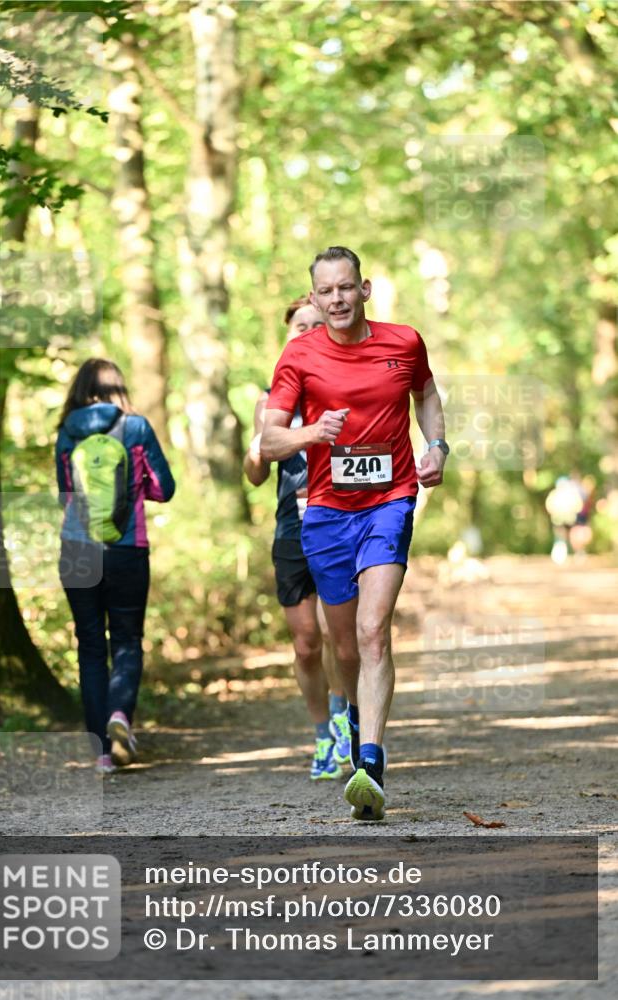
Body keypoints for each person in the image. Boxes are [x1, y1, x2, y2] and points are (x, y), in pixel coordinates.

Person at [261, 247, 447, 821]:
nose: (337, 299)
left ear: (364, 290)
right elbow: (268, 441)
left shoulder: (404, 342)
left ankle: (370, 763)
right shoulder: (299, 355)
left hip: (389, 502)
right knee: (343, 647)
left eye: (347, 288)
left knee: (372, 632)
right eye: (326, 291)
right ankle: (356, 731)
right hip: (325, 514)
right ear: (314, 298)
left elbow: (428, 396)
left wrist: (436, 445)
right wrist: (314, 431)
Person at [244, 296, 351, 781]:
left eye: (316, 323)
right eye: (299, 326)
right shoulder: (271, 399)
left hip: (341, 520)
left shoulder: (343, 383)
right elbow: (255, 476)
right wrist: (256, 451)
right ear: (288, 335)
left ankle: (345, 713)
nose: (308, 331)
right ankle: (322, 735)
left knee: (338, 635)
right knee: (307, 642)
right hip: (292, 526)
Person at [55, 359, 175, 774]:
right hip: (127, 548)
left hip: (76, 549)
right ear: (117, 388)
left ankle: (103, 754)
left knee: (89, 646)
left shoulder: (68, 430)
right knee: (125, 639)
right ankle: (121, 714)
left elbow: (64, 495)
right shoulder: (136, 427)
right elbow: (165, 488)